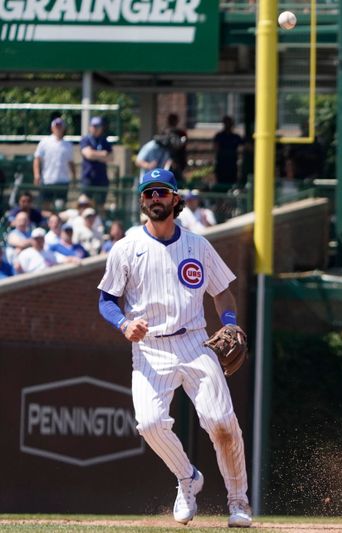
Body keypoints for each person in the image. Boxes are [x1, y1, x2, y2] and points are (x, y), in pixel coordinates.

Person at [96, 168, 252, 528]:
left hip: (196, 341)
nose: (155, 199)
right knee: (149, 423)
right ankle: (187, 478)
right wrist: (123, 323)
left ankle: (238, 501)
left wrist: (228, 321)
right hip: (149, 348)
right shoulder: (127, 248)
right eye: (149, 193)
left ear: (176, 199)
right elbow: (106, 300)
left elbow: (222, 290)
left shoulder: (197, 245)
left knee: (221, 421)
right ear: (141, 201)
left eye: (162, 192)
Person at [33, 117, 75, 210]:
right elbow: (37, 159)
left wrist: (74, 177)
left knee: (61, 207)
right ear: (52, 128)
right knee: (46, 207)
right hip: (47, 180)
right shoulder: (44, 142)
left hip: (63, 181)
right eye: (56, 126)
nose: (58, 129)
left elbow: (71, 162)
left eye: (60, 127)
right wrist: (37, 175)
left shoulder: (68, 144)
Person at [79, 116, 114, 209]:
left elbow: (111, 157)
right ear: (90, 127)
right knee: (85, 204)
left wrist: (95, 155)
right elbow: (88, 155)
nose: (95, 128)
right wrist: (103, 154)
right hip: (88, 177)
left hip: (102, 178)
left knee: (100, 205)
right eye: (93, 126)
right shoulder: (85, 139)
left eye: (98, 126)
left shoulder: (104, 141)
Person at [213, 116, 244, 189]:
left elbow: (245, 146)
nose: (228, 125)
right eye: (226, 123)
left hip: (232, 165)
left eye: (230, 123)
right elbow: (215, 148)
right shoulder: (219, 136)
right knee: (221, 184)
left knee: (232, 184)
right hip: (222, 164)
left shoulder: (235, 137)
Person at [163, 113, 188, 185]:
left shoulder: (181, 133)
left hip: (178, 162)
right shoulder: (165, 133)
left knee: (178, 183)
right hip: (167, 162)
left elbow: (181, 147)